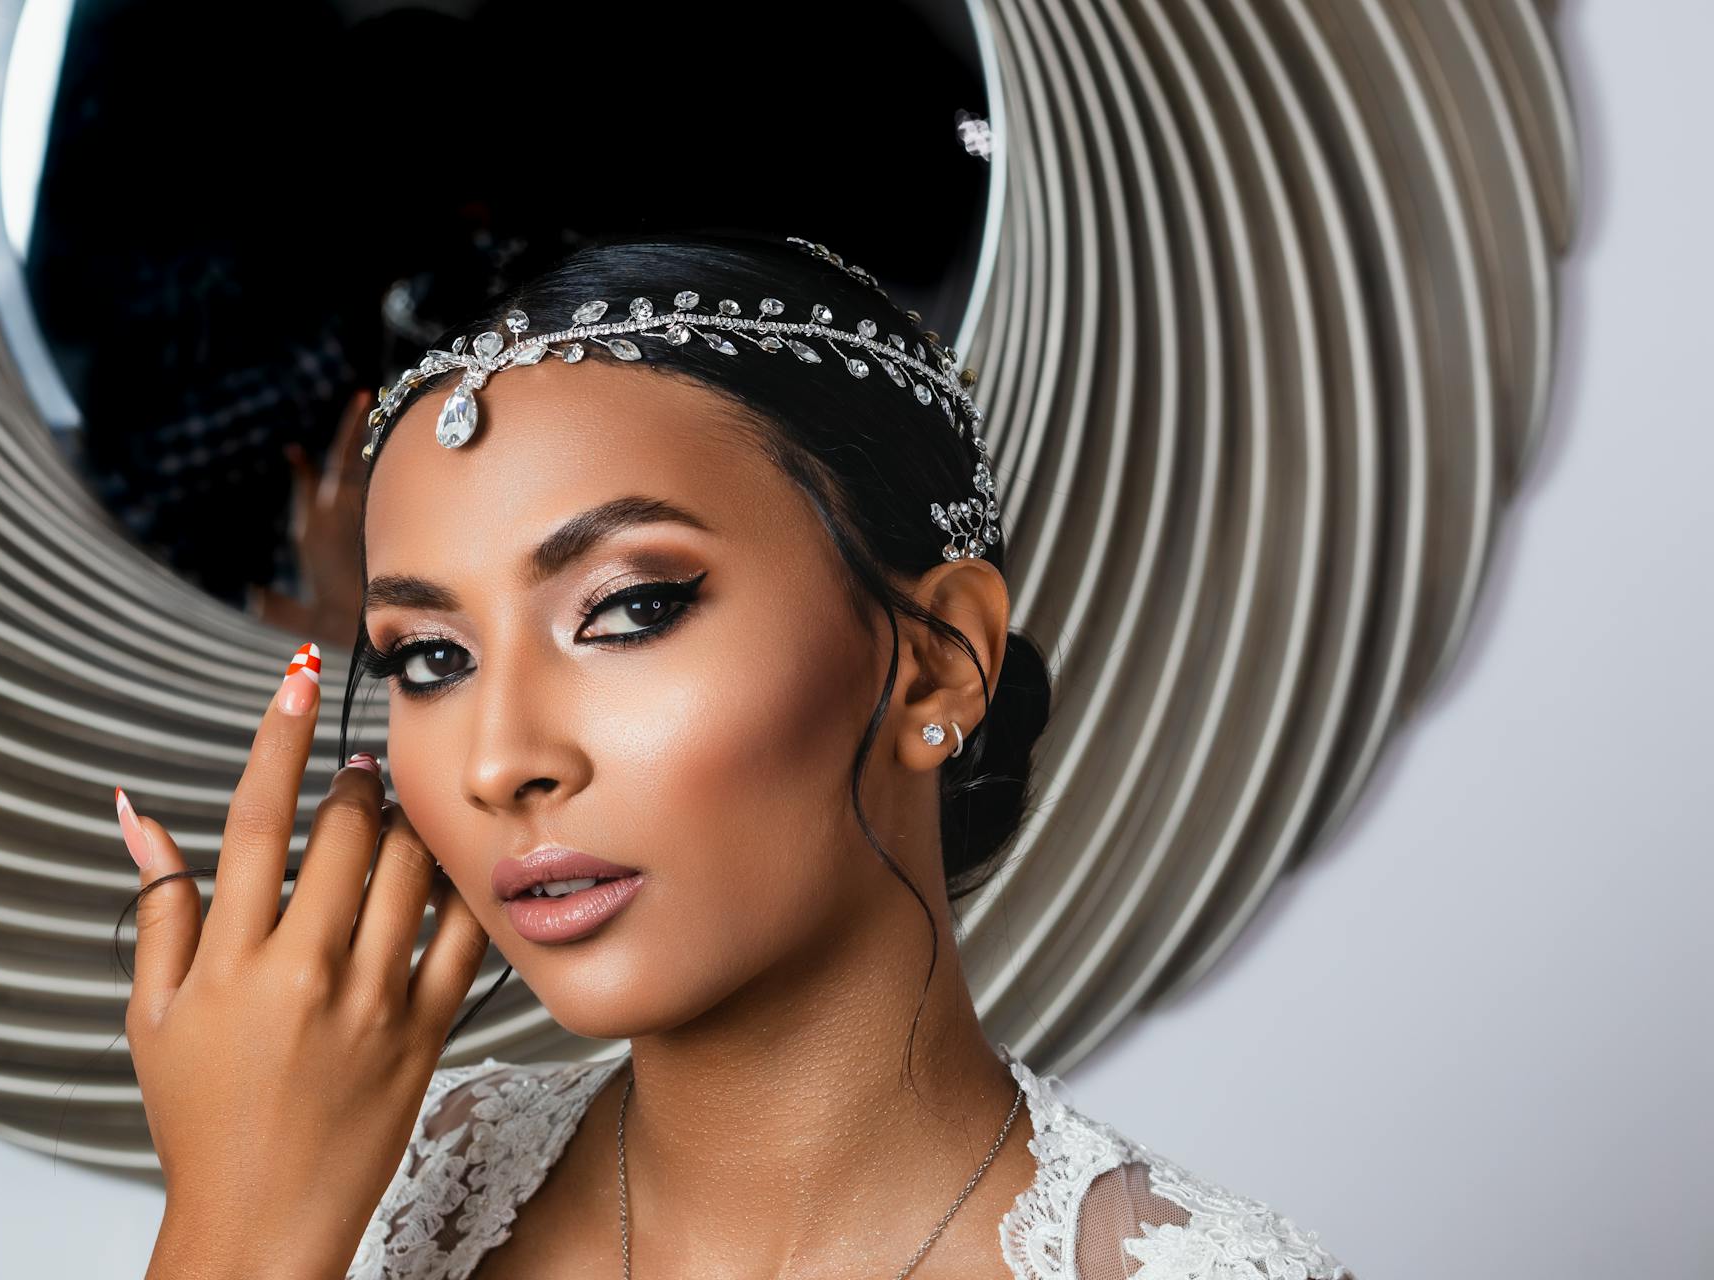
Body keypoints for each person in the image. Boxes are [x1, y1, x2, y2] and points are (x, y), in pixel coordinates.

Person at [114, 232, 1353, 1280]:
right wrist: (242, 1231)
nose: (499, 762)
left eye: (634, 608)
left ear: (936, 661)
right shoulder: (373, 1174)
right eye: (430, 657)